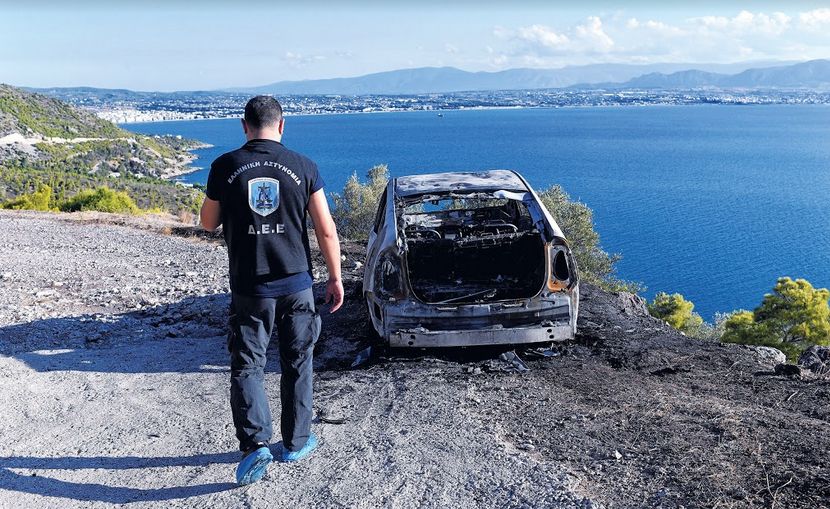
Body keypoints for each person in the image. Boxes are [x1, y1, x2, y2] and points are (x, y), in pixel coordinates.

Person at [200, 95, 343, 486]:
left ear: (244, 126)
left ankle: (255, 446)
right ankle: (296, 442)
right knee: (298, 360)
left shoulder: (225, 166)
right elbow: (326, 229)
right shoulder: (304, 166)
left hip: (250, 287)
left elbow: (208, 223)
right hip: (297, 284)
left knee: (248, 364)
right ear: (281, 125)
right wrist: (335, 277)